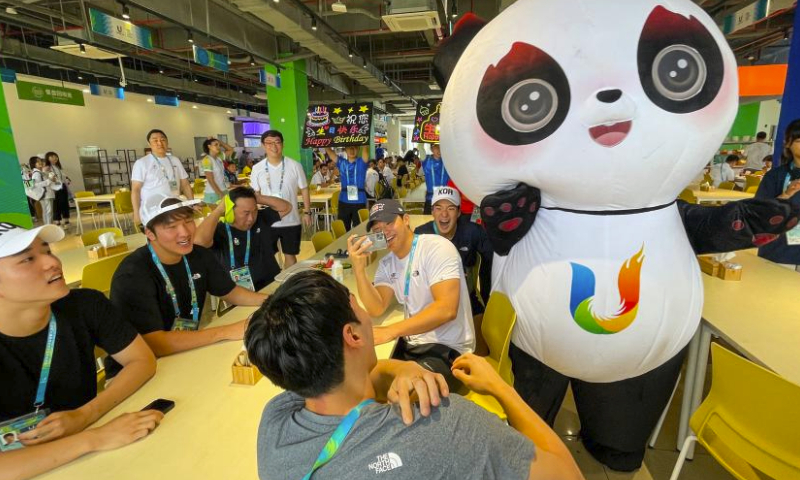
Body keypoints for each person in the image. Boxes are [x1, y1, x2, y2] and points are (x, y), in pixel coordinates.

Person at [246, 270, 583, 480]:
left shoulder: (273, 425)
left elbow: (352, 385)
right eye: (357, 305)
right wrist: (499, 388)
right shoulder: (443, 424)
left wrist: (404, 368)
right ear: (353, 335)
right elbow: (567, 474)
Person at [0, 223, 162, 479]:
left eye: (48, 250)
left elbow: (142, 360)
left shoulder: (85, 304)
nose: (52, 262)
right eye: (28, 259)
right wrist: (93, 438)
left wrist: (84, 415)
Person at [108, 194, 268, 375]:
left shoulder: (197, 255)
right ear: (149, 233)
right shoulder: (133, 275)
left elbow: (231, 292)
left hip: (184, 353)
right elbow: (154, 343)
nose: (185, 232)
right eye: (171, 227)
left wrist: (271, 300)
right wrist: (226, 331)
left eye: (188, 221)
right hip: (140, 370)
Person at [347, 200, 475, 388]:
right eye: (377, 230)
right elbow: (376, 308)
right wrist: (359, 270)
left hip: (448, 350)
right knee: (361, 378)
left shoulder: (436, 248)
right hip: (412, 344)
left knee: (404, 392)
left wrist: (391, 330)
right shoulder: (387, 263)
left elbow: (446, 309)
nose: (385, 232)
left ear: (406, 220)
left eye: (390, 223)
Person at [415, 187, 492, 318]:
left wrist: (488, 298)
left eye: (450, 208)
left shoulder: (473, 232)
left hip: (466, 299)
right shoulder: (421, 235)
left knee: (483, 330)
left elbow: (491, 261)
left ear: (458, 212)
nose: (444, 214)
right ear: (432, 211)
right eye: (438, 208)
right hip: (431, 302)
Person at [194, 187, 291, 291]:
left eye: (254, 211)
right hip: (239, 293)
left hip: (272, 284)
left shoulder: (261, 219)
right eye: (246, 213)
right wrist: (219, 210)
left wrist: (257, 198)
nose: (251, 218)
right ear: (230, 211)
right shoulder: (219, 230)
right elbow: (199, 242)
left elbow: (286, 207)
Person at [249, 130, 312, 268]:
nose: (274, 146)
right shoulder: (257, 168)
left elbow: (304, 189)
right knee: (268, 256)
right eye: (269, 143)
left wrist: (307, 212)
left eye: (277, 142)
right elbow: (256, 195)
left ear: (282, 144)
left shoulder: (295, 165)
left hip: (291, 219)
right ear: (263, 145)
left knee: (290, 255)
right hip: (267, 221)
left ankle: (288, 283)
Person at [756, 119, 800, 271]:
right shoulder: (775, 177)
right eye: (799, 140)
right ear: (788, 143)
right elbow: (759, 212)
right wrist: (786, 194)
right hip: (779, 253)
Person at [131, 129, 194, 228]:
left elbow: (185, 184)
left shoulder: (175, 160)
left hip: (174, 208)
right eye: (155, 140)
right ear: (149, 143)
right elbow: (136, 189)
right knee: (157, 239)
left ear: (167, 142)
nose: (159, 143)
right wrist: (136, 213)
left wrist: (192, 203)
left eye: (163, 140)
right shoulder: (142, 163)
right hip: (153, 211)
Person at [325, 145, 370, 230]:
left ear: (359, 149)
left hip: (359, 201)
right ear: (345, 149)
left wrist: (364, 141)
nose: (352, 150)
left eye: (355, 147)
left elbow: (365, 150)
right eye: (349, 147)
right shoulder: (341, 162)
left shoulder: (362, 162)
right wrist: (324, 141)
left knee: (360, 228)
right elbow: (330, 152)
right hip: (344, 201)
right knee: (344, 228)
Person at [200, 137, 233, 205]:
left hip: (223, 189)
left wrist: (219, 141)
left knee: (226, 213)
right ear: (209, 146)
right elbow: (210, 180)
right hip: (213, 192)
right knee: (217, 214)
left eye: (219, 145)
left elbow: (231, 149)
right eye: (216, 145)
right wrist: (219, 193)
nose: (219, 147)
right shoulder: (207, 160)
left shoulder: (219, 157)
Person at [421, 144, 451, 214]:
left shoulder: (447, 161)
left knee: (443, 221)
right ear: (431, 149)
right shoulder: (426, 160)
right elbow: (420, 147)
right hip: (430, 198)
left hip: (444, 197)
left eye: (441, 147)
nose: (439, 150)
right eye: (436, 147)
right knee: (428, 220)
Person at [45, 152, 70, 228]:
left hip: (62, 187)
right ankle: (57, 221)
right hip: (54, 189)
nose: (55, 158)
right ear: (48, 158)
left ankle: (66, 220)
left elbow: (62, 176)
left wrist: (67, 179)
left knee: (65, 203)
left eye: (56, 156)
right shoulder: (46, 167)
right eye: (52, 157)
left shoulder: (58, 166)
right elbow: (48, 178)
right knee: (56, 205)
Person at [27, 157, 52, 225]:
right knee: (48, 211)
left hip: (46, 194)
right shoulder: (36, 173)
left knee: (47, 211)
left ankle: (48, 226)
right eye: (37, 162)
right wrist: (49, 180)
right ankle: (48, 226)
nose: (40, 162)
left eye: (40, 161)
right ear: (33, 164)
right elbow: (36, 185)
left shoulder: (39, 172)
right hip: (44, 195)